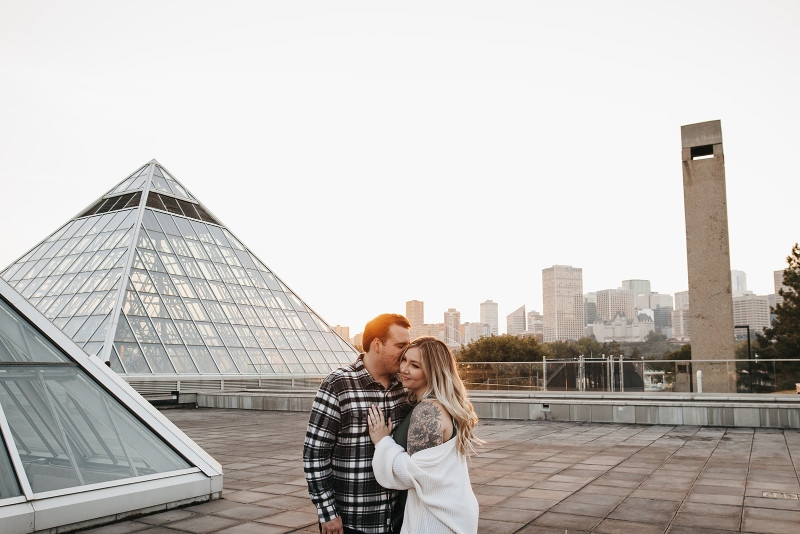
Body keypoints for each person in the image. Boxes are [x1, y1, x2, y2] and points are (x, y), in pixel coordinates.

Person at [304, 313, 413, 534]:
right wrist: (328, 513)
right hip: (351, 522)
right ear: (377, 345)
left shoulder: (406, 386)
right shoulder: (338, 384)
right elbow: (315, 454)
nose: (406, 353)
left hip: (398, 518)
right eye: (400, 345)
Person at [367, 337, 482, 534]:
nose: (404, 369)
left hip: (437, 519)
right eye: (404, 360)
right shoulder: (440, 404)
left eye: (415, 365)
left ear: (432, 371)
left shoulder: (428, 410)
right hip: (451, 510)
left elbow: (413, 474)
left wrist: (382, 442)